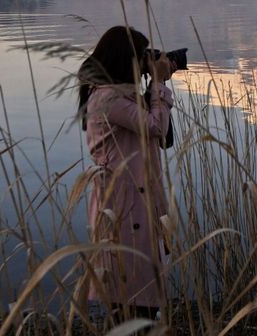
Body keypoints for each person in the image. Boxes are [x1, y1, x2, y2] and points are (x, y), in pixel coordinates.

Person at [78, 25, 175, 320]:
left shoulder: (122, 96)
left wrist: (153, 88)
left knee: (139, 299)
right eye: (143, 56)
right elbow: (155, 127)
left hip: (135, 204)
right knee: (133, 298)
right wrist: (157, 84)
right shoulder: (108, 99)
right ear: (126, 60)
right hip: (123, 209)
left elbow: (160, 135)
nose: (147, 62)